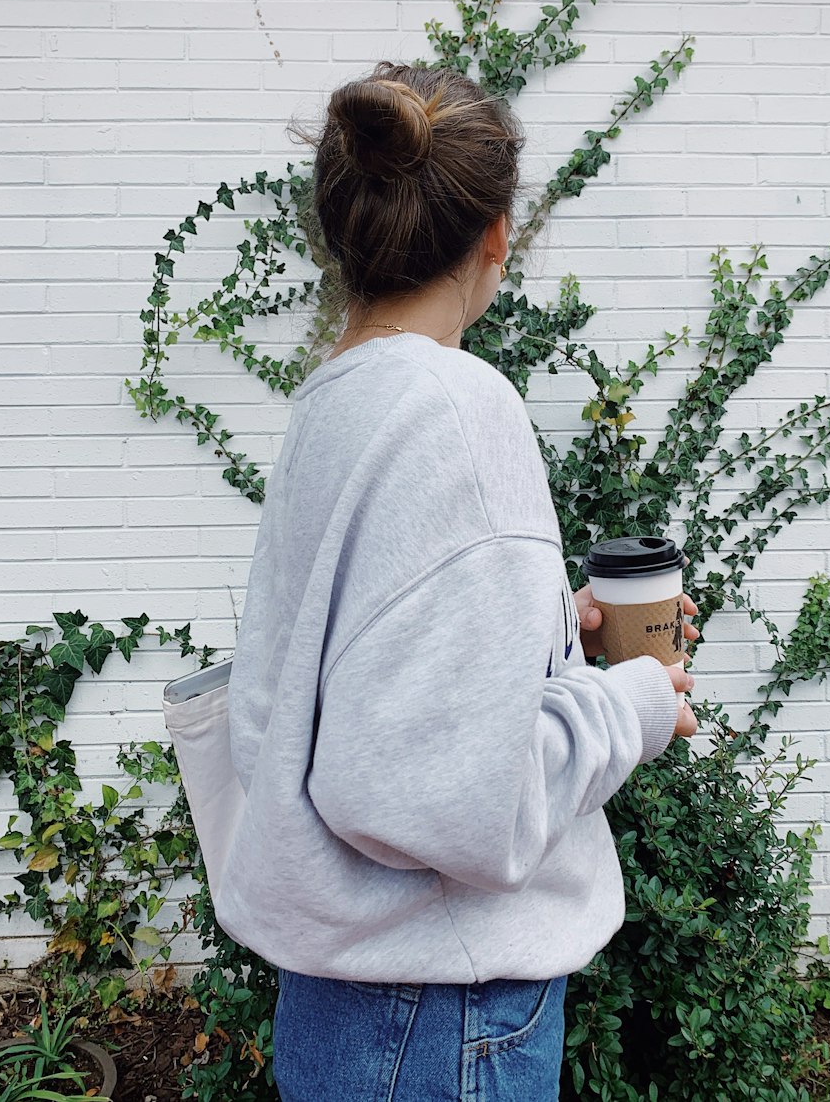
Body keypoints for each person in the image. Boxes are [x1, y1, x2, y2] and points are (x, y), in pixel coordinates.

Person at [219, 60, 698, 1102]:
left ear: (342, 232)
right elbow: (443, 798)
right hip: (439, 1009)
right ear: (496, 237)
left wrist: (545, 631)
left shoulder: (332, 406)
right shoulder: (455, 408)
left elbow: (372, 685)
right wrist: (633, 703)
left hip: (353, 999)